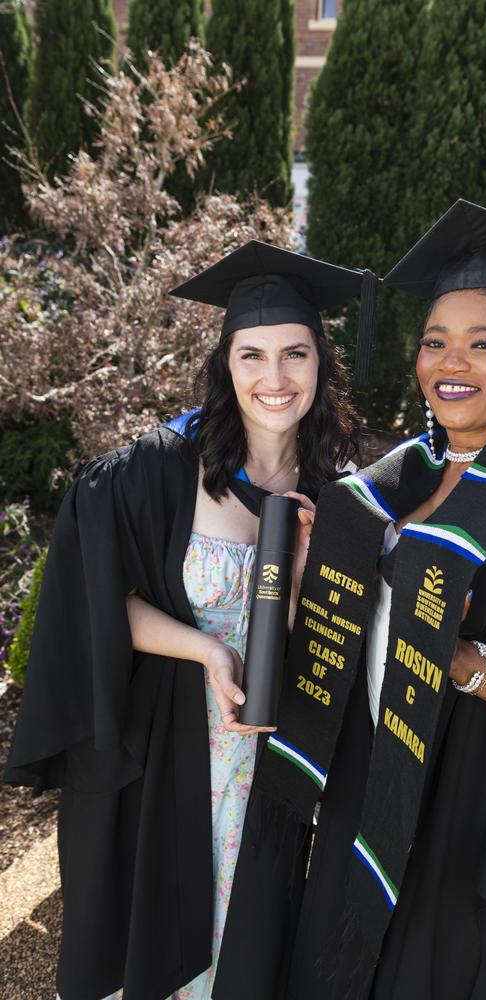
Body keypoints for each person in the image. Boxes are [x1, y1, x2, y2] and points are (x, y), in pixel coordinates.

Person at [212, 201, 486, 1000]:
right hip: (370, 795)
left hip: (469, 825)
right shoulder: (389, 488)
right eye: (435, 341)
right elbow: (363, 640)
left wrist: (455, 656)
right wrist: (323, 573)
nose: (453, 360)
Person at [4, 240, 376, 1000]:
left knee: (243, 956)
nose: (275, 379)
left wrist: (307, 568)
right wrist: (205, 649)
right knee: (156, 951)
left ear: (320, 363)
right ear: (225, 363)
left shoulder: (338, 488)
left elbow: (329, 643)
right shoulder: (152, 471)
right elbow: (92, 603)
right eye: (252, 356)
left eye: (295, 354)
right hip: (165, 752)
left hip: (266, 766)